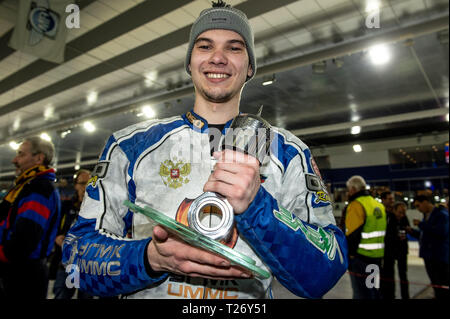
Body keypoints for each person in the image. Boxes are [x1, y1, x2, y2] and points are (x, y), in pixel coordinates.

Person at [62, 0, 348, 299]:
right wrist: (150, 258)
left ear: (250, 67)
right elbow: (74, 260)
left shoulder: (288, 151)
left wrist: (257, 206)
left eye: (235, 48)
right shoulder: (131, 144)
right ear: (189, 62)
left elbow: (326, 270)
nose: (218, 58)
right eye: (205, 46)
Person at [0, 136, 61, 299]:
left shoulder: (39, 188)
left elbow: (27, 235)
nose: (15, 159)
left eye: (21, 154)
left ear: (39, 158)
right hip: (17, 269)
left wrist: (3, 254)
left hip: (23, 274)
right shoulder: (26, 186)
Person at [51, 169, 93, 299]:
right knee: (62, 295)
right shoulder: (66, 206)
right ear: (76, 185)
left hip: (88, 265)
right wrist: (57, 237)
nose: (86, 186)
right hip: (66, 264)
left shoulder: (97, 207)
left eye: (89, 182)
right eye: (82, 183)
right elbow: (55, 226)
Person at [344, 176, 387, 299]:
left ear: (353, 189)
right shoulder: (377, 205)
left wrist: (350, 257)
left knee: (361, 294)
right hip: (377, 257)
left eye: (348, 189)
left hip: (360, 259)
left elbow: (352, 235)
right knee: (374, 290)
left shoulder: (356, 205)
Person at [408, 195, 449, 299]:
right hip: (429, 256)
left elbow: (441, 232)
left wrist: (421, 225)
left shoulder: (441, 214)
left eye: (418, 205)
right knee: (435, 283)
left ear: (426, 202)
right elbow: (426, 235)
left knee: (442, 283)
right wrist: (412, 231)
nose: (418, 209)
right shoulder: (427, 215)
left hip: (438, 257)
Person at [381, 201, 410, 299]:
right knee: (389, 276)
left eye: (404, 212)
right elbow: (386, 236)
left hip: (402, 251)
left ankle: (405, 296)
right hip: (390, 252)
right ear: (394, 210)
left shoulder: (404, 219)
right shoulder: (388, 218)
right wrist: (396, 237)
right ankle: (390, 295)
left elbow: (406, 230)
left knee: (403, 276)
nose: (402, 215)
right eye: (400, 212)